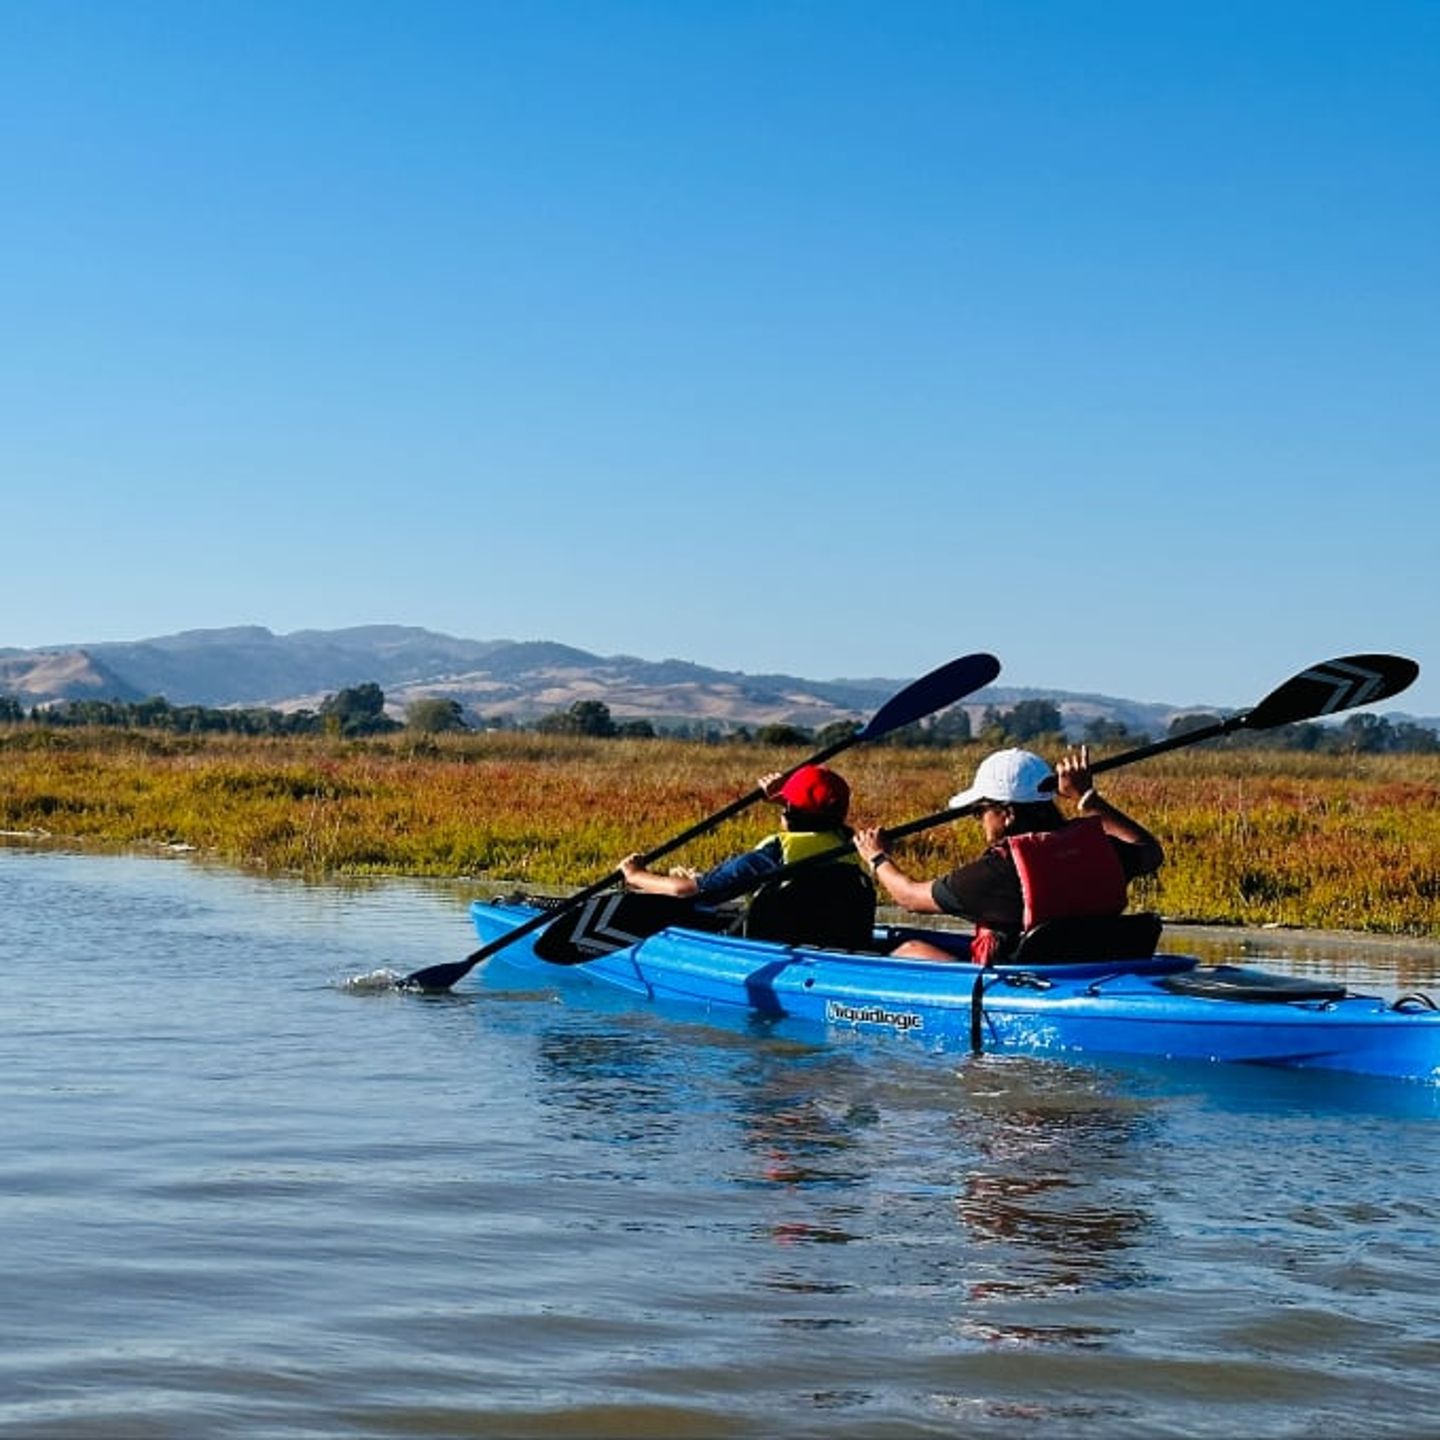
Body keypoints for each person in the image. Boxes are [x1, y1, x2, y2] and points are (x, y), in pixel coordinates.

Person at [853, 745, 1163, 964]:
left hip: (1025, 980)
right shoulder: (1097, 849)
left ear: (1007, 813)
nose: (978, 819)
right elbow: (1149, 850)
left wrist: (877, 858)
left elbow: (909, 898)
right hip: (1092, 968)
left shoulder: (998, 872)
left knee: (911, 950)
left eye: (980, 810)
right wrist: (1088, 798)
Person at [618, 763, 876, 949]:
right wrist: (783, 799)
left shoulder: (773, 855)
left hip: (776, 949)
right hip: (834, 944)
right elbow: (818, 817)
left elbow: (685, 891)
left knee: (695, 907)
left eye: (785, 806)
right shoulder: (848, 843)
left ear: (788, 813)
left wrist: (636, 875)